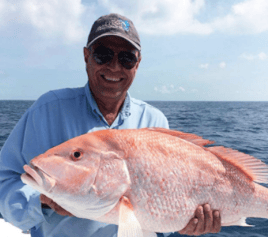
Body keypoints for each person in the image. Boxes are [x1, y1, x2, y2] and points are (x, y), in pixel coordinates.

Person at [0, 13, 221, 237]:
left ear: (138, 63)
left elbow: (159, 220)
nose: (115, 66)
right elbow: (4, 184)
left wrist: (186, 224)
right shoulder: (47, 111)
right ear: (86, 56)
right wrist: (42, 201)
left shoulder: (155, 122)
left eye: (126, 58)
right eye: (103, 55)